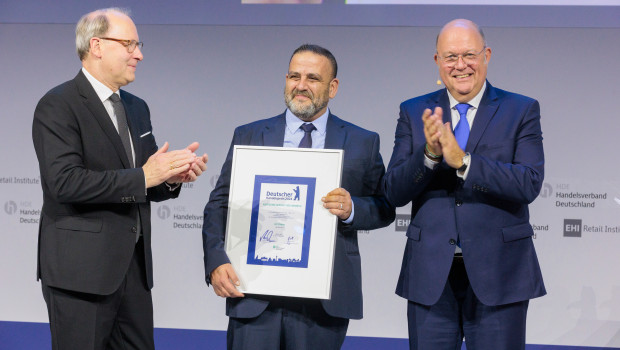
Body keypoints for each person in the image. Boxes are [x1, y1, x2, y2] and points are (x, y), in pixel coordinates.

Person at [32, 8, 208, 350]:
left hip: (133, 271)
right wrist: (145, 176)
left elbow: (145, 179)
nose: (139, 54)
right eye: (129, 44)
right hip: (79, 275)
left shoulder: (137, 107)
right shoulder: (58, 105)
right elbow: (65, 183)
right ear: (96, 46)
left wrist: (172, 177)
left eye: (138, 45)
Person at [202, 44, 395, 350]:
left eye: (312, 78)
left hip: (322, 302)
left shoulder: (362, 141)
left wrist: (352, 209)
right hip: (255, 294)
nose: (301, 85)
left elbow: (385, 207)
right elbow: (220, 204)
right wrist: (215, 260)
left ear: (333, 87)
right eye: (294, 76)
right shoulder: (250, 135)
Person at [383, 19, 546, 349]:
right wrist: (428, 155)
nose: (460, 65)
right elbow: (393, 191)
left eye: (469, 55)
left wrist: (465, 163)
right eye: (450, 56)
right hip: (431, 275)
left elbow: (528, 182)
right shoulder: (414, 111)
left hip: (499, 274)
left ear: (487, 55)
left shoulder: (521, 109)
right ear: (437, 61)